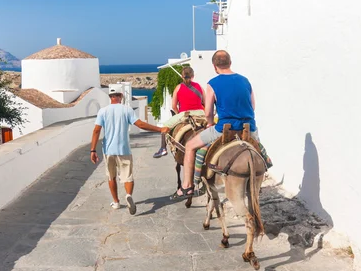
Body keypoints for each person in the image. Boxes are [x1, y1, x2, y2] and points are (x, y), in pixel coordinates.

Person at [173, 50, 260, 200]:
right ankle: (264, 164)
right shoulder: (245, 80)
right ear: (230, 63)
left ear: (214, 66)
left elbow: (208, 112)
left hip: (224, 129)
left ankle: (187, 185)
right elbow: (252, 106)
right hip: (248, 128)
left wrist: (210, 123)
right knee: (258, 147)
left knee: (190, 146)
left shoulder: (213, 83)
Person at [90, 84, 169, 214]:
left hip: (108, 150)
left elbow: (96, 130)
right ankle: (128, 195)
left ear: (110, 97)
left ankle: (116, 202)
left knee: (111, 177)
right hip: (124, 149)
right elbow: (141, 125)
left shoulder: (103, 111)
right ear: (121, 96)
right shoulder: (127, 110)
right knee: (127, 177)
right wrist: (160, 129)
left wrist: (93, 150)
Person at [153, 66, 205, 158]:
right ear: (193, 76)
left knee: (164, 127)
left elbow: (173, 106)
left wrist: (178, 114)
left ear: (182, 76)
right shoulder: (199, 86)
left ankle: (163, 149)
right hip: (201, 113)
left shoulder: (178, 87)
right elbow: (205, 102)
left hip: (185, 114)